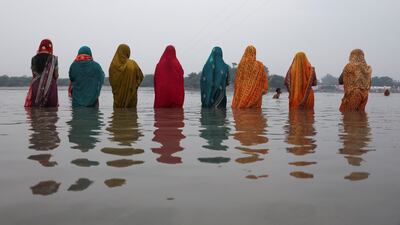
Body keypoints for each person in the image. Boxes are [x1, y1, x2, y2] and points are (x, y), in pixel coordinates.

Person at [24, 39, 59, 107]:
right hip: (50, 87)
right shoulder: (54, 59)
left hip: (35, 86)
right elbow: (55, 75)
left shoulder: (33, 58)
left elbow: (34, 74)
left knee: (35, 110)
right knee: (51, 112)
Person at [109, 44, 144, 108]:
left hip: (117, 100)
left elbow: (111, 81)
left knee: (117, 115)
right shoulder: (132, 64)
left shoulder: (112, 65)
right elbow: (140, 77)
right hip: (131, 98)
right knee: (132, 116)